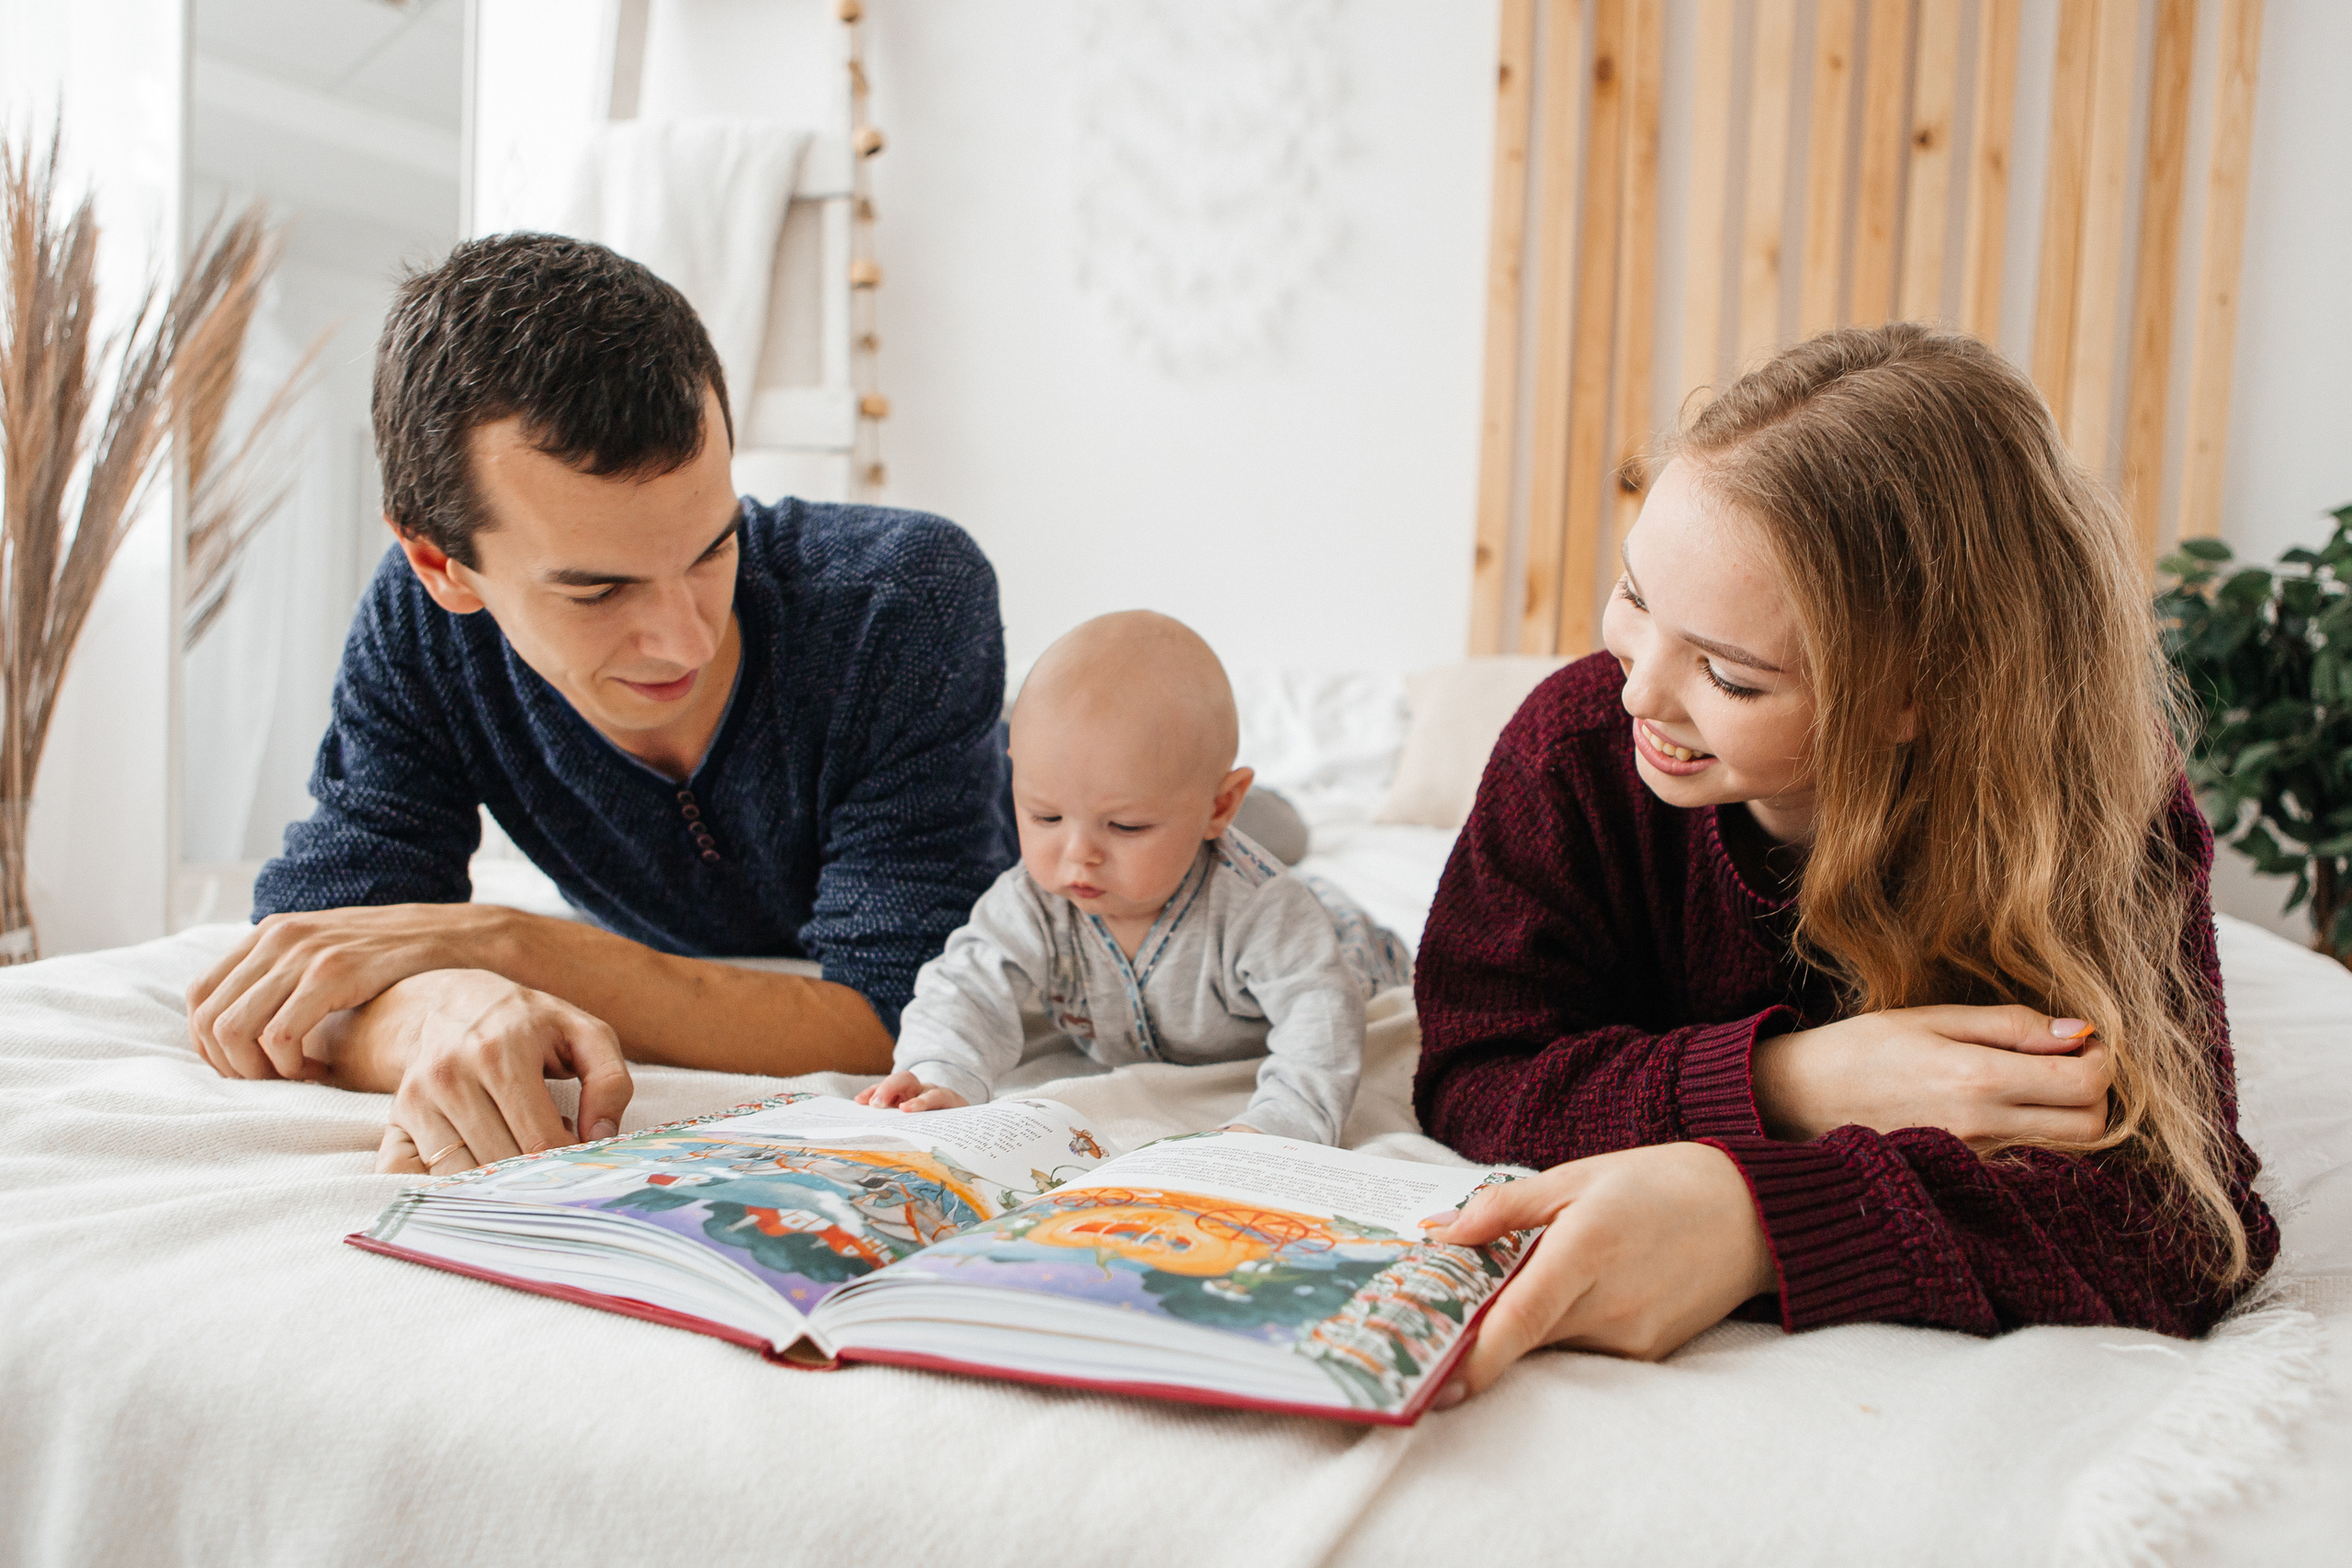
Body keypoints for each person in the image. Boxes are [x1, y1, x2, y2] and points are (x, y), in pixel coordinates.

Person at [1411, 323, 2278, 1404]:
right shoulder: (1572, 750)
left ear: (1920, 693)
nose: (1639, 693)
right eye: (1635, 598)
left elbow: (2180, 1224)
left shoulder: (2094, 808)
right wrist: (1790, 1085)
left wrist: (1750, 1222)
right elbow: (1475, 1072)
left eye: (1728, 674)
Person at [184, 234, 1014, 1176]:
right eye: (598, 591)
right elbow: (328, 949)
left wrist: (503, 946)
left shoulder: (900, 597)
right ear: (442, 566)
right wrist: (446, 1011)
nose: (686, 640)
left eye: (710, 548)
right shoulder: (421, 627)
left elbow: (895, 1010)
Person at [857, 612, 1408, 1142]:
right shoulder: (1030, 901)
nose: (1078, 854)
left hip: (1346, 946)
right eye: (1045, 816)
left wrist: (1284, 1123)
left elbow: (1322, 1025)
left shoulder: (1263, 909)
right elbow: (965, 987)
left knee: (1358, 964)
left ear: (1221, 805)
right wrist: (941, 1071)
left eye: (1125, 826)